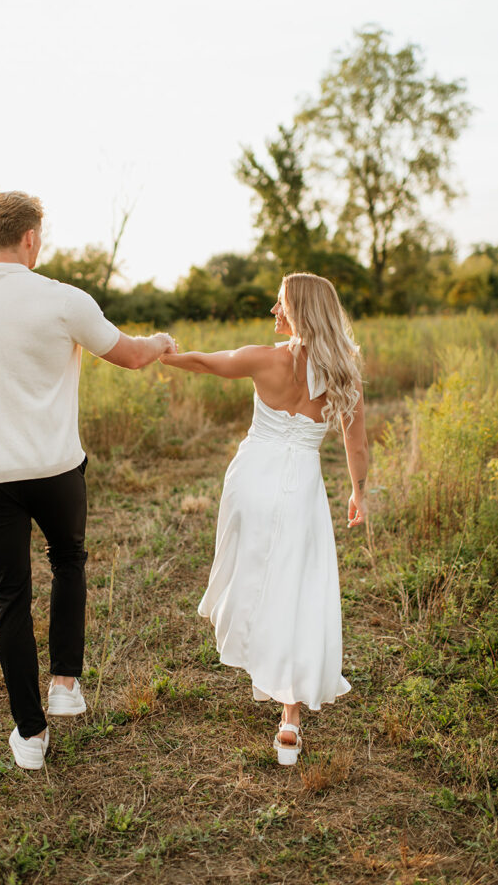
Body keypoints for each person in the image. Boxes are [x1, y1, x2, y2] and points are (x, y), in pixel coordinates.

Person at [0, 190, 175, 770]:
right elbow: (133, 355)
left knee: (9, 598)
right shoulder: (65, 300)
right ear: (32, 237)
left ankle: (31, 736)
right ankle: (65, 683)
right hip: (58, 470)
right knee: (68, 559)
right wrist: (161, 343)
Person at [160, 272, 368, 765]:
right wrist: (359, 492)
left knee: (252, 573)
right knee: (295, 587)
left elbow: (207, 364)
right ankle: (289, 717)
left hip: (253, 480)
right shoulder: (345, 373)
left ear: (300, 310)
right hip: (301, 487)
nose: (275, 313)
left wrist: (163, 352)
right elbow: (355, 443)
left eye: (280, 305)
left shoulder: (264, 358)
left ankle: (258, 652)